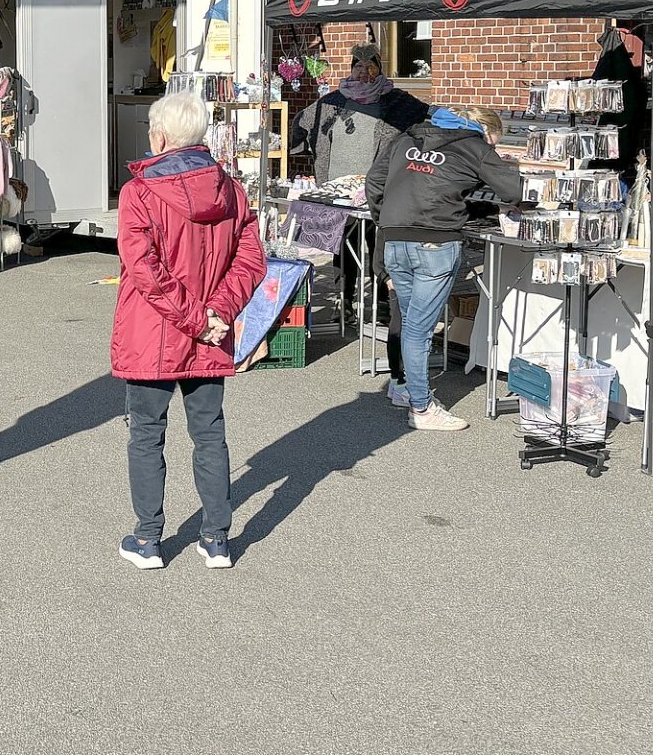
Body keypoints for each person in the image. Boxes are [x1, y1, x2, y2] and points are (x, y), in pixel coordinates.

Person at [110, 90, 267, 571]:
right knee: (209, 434)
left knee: (146, 435)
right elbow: (251, 259)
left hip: (156, 332)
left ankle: (149, 539)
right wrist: (216, 314)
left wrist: (200, 318)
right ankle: (217, 540)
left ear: (159, 135)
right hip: (208, 332)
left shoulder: (138, 193)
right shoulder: (231, 189)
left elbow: (143, 269)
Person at [365, 106, 521, 431]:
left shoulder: (406, 137)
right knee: (420, 329)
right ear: (483, 129)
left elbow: (374, 182)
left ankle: (404, 388)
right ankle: (422, 409)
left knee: (410, 322)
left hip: (395, 238)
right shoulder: (474, 145)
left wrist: (388, 222)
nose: (492, 145)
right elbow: (514, 191)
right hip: (434, 241)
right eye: (493, 139)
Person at [289, 43, 430, 316]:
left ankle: (384, 303)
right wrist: (298, 149)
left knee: (380, 246)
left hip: (378, 190)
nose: (363, 73)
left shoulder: (398, 101)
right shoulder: (333, 101)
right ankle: (344, 301)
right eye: (358, 67)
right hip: (338, 187)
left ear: (379, 69)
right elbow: (302, 123)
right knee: (343, 246)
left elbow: (427, 118)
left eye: (370, 67)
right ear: (351, 69)